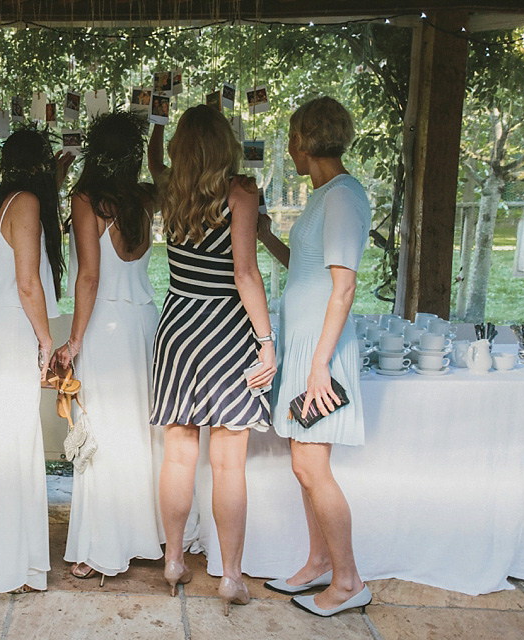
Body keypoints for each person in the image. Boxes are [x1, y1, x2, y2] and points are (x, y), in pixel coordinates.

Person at [148, 105, 275, 614]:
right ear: (225, 144)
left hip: (178, 326)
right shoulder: (241, 193)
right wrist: (266, 339)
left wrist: (156, 123)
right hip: (226, 329)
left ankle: (174, 562)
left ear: (182, 148)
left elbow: (154, 159)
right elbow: (245, 273)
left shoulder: (168, 188)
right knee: (228, 466)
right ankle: (230, 578)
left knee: (178, 455)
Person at [256, 96, 372, 616]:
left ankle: (349, 582)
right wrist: (264, 238)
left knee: (310, 465)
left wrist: (320, 363)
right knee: (303, 466)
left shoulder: (344, 195)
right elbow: (308, 268)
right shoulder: (324, 195)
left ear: (302, 141)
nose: (289, 148)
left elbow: (343, 288)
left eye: (291, 138)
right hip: (306, 347)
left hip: (321, 353)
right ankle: (318, 562)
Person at [0, 129, 72, 593]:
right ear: (39, 165)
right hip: (8, 337)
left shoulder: (6, 201)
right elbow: (28, 284)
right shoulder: (25, 204)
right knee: (12, 449)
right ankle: (11, 568)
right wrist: (46, 342)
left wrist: (54, 182)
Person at [50, 111, 163, 583]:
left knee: (104, 430)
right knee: (142, 427)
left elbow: (90, 276)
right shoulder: (144, 198)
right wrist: (159, 127)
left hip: (107, 326)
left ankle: (103, 545)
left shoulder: (86, 200)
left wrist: (74, 340)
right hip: (145, 321)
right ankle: (144, 535)